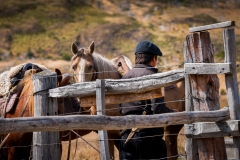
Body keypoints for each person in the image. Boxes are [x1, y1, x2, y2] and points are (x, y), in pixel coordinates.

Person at [119, 40, 176, 160]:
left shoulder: (124, 78)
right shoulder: (154, 77)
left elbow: (120, 108)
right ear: (154, 58)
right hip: (149, 140)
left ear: (136, 58)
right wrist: (174, 113)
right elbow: (158, 109)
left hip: (126, 139)